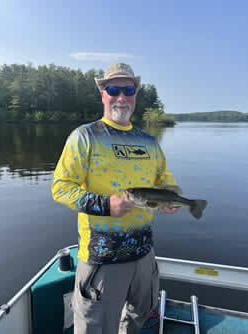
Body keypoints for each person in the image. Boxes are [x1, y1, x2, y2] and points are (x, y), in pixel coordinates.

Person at [51, 63, 180, 334]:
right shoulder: (84, 136)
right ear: (103, 93)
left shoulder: (149, 141)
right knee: (95, 328)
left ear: (135, 94)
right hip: (101, 260)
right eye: (114, 89)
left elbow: (163, 179)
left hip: (144, 255)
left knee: (138, 319)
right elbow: (60, 187)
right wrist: (105, 205)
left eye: (128, 89)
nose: (121, 96)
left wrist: (170, 195)